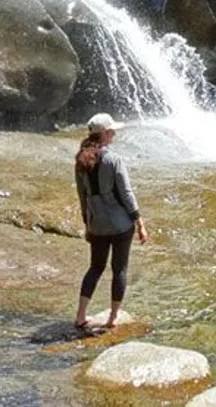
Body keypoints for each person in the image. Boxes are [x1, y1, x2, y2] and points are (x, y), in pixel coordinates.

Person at [74, 112, 149, 330]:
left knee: (95, 268)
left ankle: (80, 315)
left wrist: (88, 224)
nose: (114, 134)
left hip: (97, 225)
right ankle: (113, 317)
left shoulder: (80, 161)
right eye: (112, 131)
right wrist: (139, 222)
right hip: (120, 225)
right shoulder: (114, 160)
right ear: (105, 134)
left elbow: (82, 197)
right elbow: (126, 194)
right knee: (120, 270)